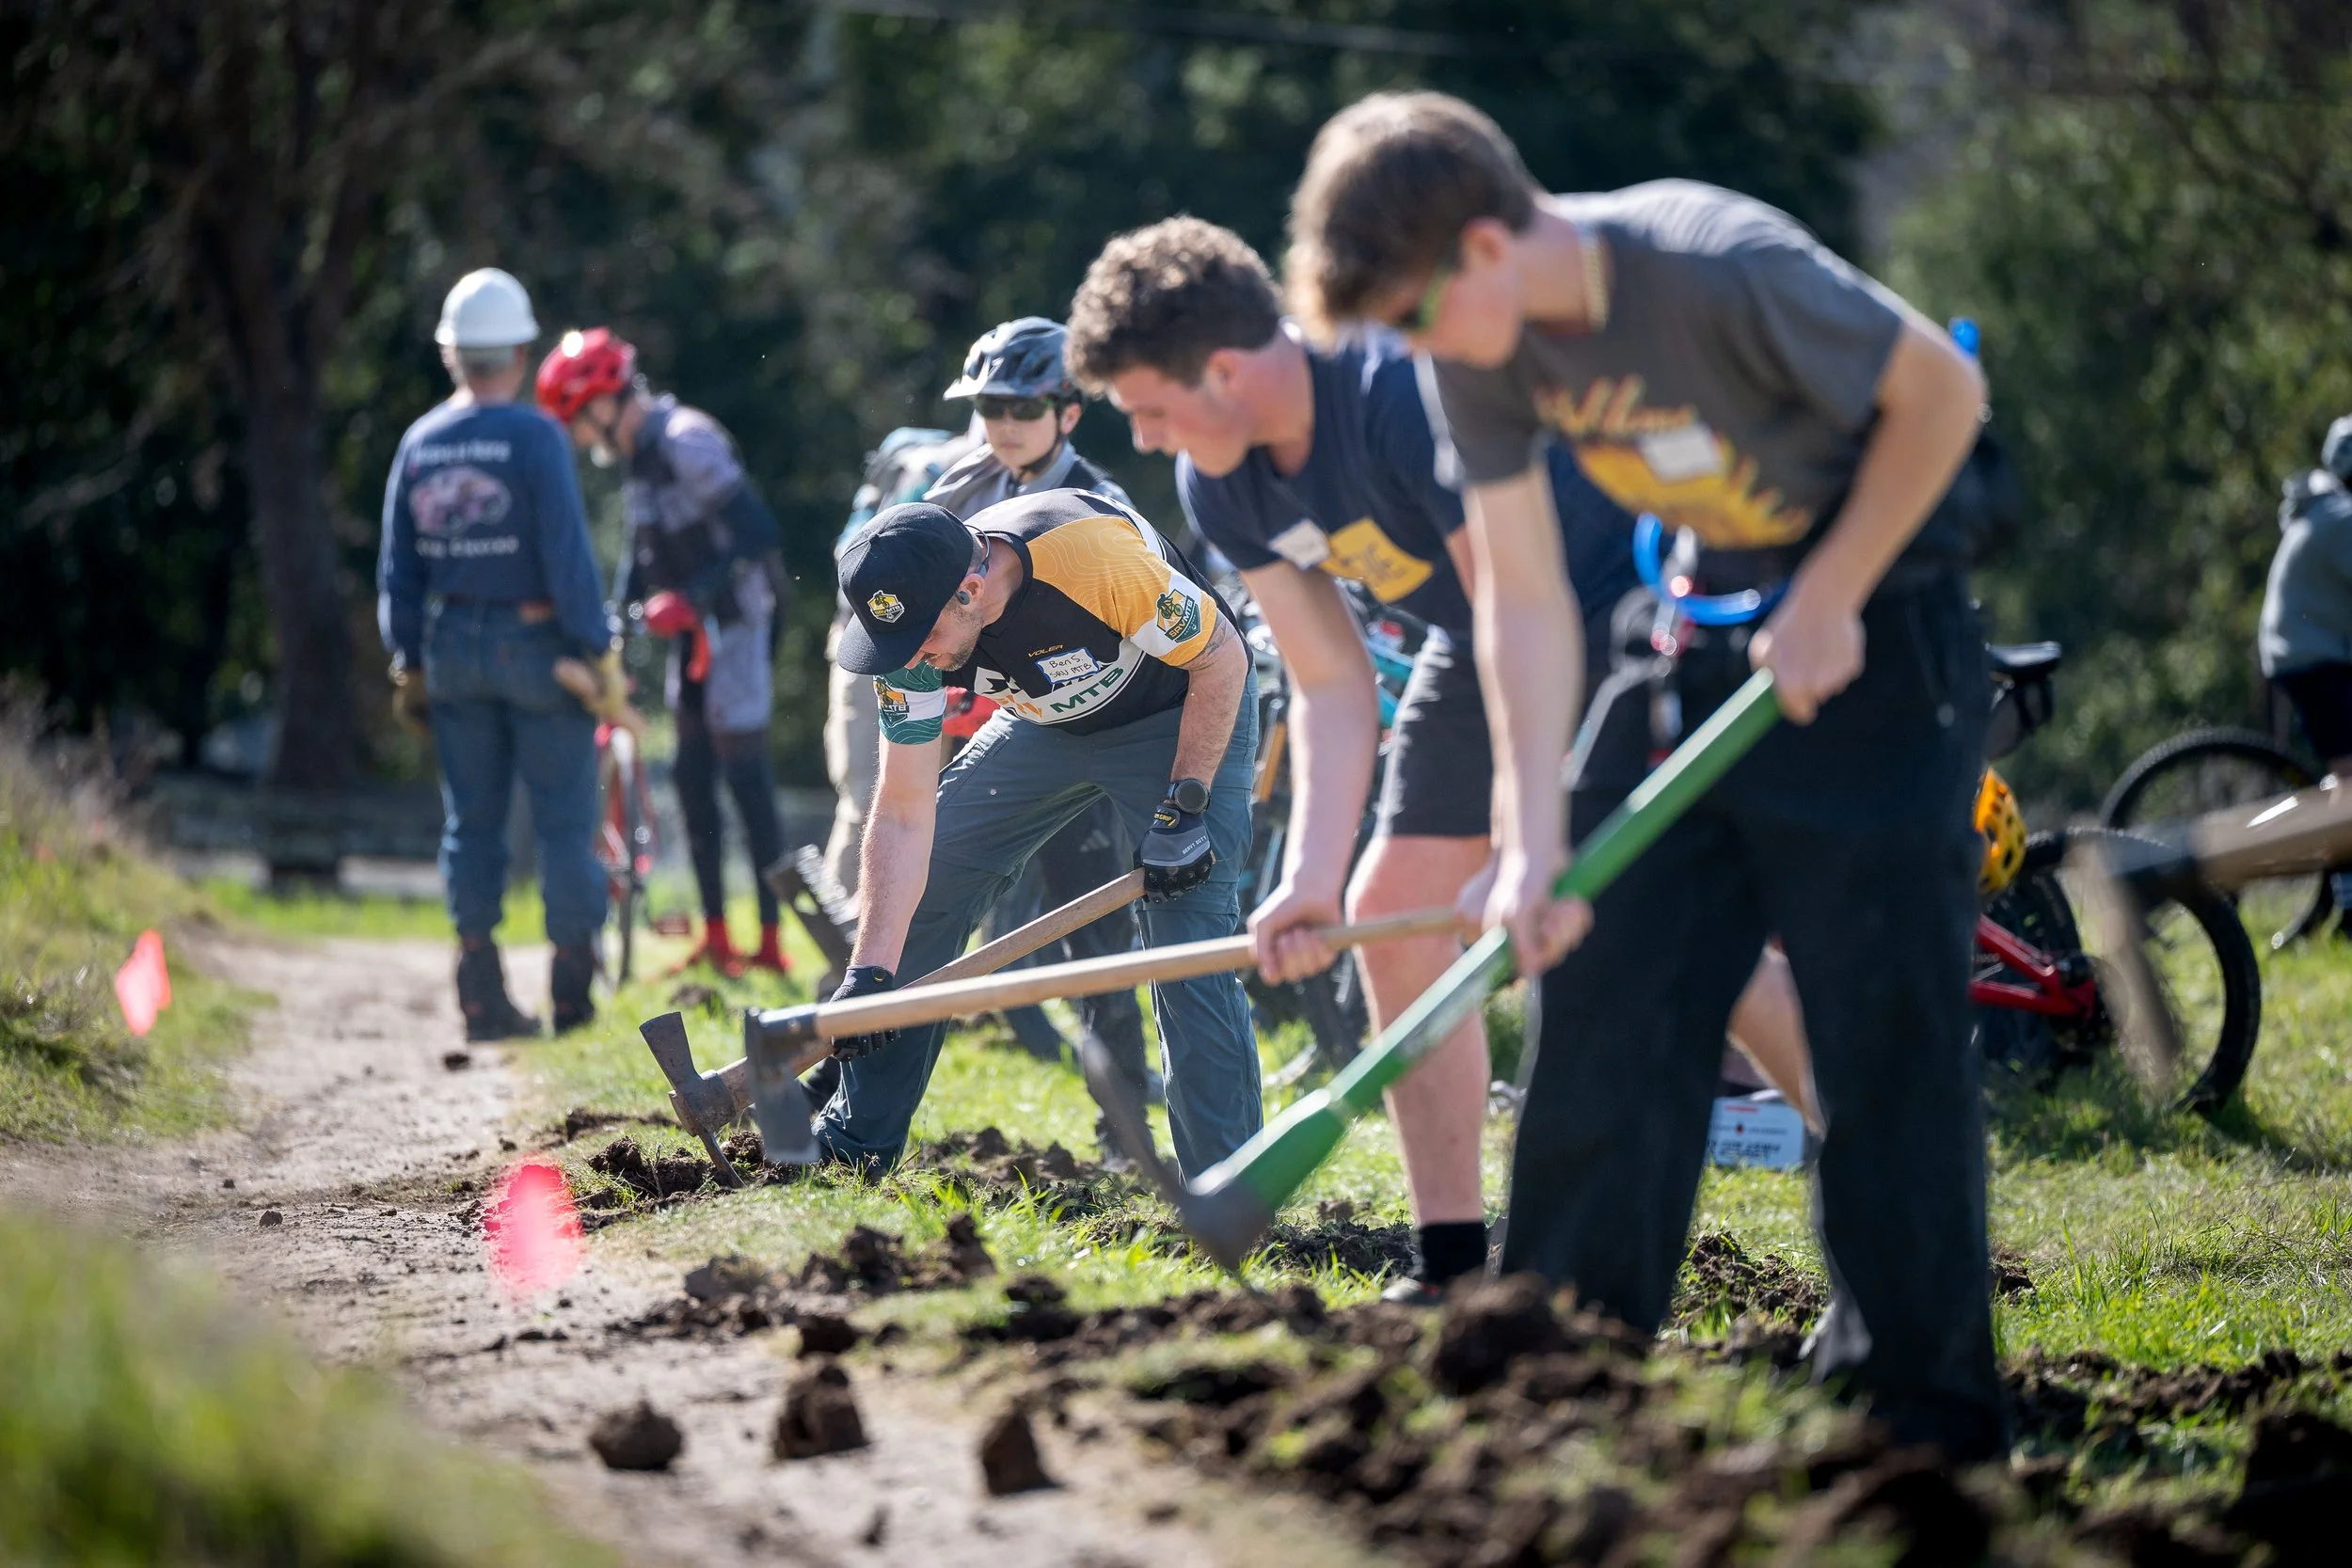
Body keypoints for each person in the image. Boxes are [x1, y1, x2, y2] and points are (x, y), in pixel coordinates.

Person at [1285, 92, 2002, 1458]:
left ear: (1487, 248)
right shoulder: (1474, 349)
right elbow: (1522, 594)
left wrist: (1837, 588)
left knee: (1884, 1028)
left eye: (1418, 318)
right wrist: (1531, 835)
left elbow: (1945, 393)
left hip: (1881, 624)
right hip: (1699, 622)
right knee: (1604, 976)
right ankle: (1559, 1359)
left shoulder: (1711, 265)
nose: (1415, 354)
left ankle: (1917, 1407)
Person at [1064, 216, 1819, 1301]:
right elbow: (1328, 681)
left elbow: (1526, 609)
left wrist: (1520, 845)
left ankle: (1878, 1163)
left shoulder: (1393, 402)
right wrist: (1311, 881)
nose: (1144, 438)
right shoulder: (1218, 478)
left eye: (1147, 408)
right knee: (1394, 906)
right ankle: (1453, 1262)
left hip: (1610, 612)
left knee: (1659, 918)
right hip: (1482, 633)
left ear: (1223, 372)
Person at [818, 490, 1261, 1178]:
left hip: (1180, 713)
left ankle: (1233, 1186)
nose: (915, 658)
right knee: (926, 887)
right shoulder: (908, 636)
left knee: (1186, 936)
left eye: (925, 639)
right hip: (1043, 723)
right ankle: (854, 1146)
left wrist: (1185, 805)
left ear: (971, 590)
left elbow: (1222, 659)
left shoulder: (1092, 559)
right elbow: (904, 807)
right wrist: (870, 972)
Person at [924, 318, 1153, 1145]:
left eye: (1023, 404)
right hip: (980, 730)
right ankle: (865, 1100)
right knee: (925, 905)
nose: (1005, 421)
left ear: (1068, 410)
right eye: (989, 404)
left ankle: (1124, 1127)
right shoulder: (953, 488)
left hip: (1083, 733)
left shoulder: (1100, 502)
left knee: (1095, 933)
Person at [377, 268, 618, 1038]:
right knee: (563, 821)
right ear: (519, 352)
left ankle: (480, 992)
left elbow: (399, 571)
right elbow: (567, 556)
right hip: (540, 651)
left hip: (450, 651)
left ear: (451, 356)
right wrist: (597, 651)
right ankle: (572, 994)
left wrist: (408, 661)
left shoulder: (419, 442)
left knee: (470, 822)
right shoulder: (537, 436)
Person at [536, 329, 791, 977]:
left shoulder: (686, 442)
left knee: (746, 780)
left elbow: (758, 531)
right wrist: (619, 613)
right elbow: (640, 551)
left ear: (602, 401)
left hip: (736, 624)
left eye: (576, 420)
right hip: (694, 632)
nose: (578, 434)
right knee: (692, 778)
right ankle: (715, 938)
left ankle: (768, 937)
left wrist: (695, 599)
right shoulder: (637, 457)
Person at [2262, 416, 2352, 920]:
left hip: (2311, 652)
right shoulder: (2340, 517)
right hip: (2313, 658)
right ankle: (2347, 902)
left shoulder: (2329, 508)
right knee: (2351, 780)